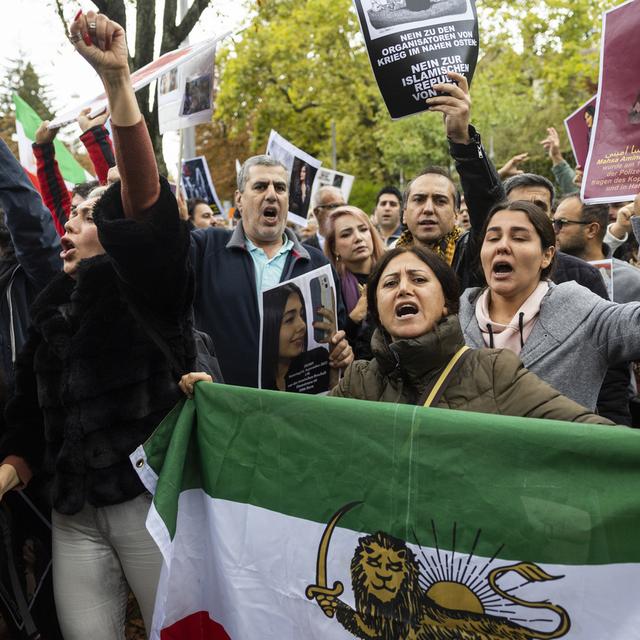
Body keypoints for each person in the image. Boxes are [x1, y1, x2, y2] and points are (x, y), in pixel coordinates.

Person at [0, 12, 196, 638]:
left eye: (84, 215)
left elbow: (142, 201)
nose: (67, 222)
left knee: (178, 629)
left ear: (113, 232)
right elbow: (30, 414)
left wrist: (117, 84)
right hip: (72, 516)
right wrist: (12, 465)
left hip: (148, 507)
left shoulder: (149, 285)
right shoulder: (51, 302)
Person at [329, 245, 610, 425]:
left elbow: (588, 433)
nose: (403, 289)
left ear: (445, 304)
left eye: (419, 279)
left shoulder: (494, 372)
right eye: (390, 283)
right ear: (377, 309)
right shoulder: (359, 381)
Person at [458, 200, 640, 415]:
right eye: (493, 238)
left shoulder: (583, 313)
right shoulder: (453, 318)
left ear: (547, 256)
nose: (502, 246)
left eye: (519, 238)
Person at [190, 155, 351, 388]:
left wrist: (342, 352)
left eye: (280, 187)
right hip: (225, 408)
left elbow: (338, 334)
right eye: (260, 186)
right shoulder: (206, 247)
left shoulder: (317, 263)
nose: (272, 194)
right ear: (240, 199)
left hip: (293, 411)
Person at [398, 72, 499, 290]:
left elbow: (489, 206)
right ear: (404, 213)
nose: (428, 209)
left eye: (440, 201)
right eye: (419, 199)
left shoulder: (473, 255)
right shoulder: (386, 265)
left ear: (456, 214)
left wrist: (462, 140)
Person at [324, 205, 385, 359]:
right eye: (346, 234)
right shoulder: (330, 287)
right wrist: (355, 317)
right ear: (334, 248)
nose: (358, 238)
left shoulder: (394, 273)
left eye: (363, 229)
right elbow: (332, 347)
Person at [554, 196, 640, 303]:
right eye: (553, 222)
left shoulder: (631, 280)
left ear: (591, 230)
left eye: (561, 223)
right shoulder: (542, 275)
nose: (554, 230)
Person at [261, 282, 343, 393]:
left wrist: (335, 376)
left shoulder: (318, 362)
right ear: (269, 327)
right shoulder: (255, 381)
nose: (302, 325)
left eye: (302, 314)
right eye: (289, 319)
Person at [304, 186, 346, 250]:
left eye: (343, 206)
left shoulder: (353, 243)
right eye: (334, 206)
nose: (341, 210)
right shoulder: (304, 250)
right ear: (317, 212)